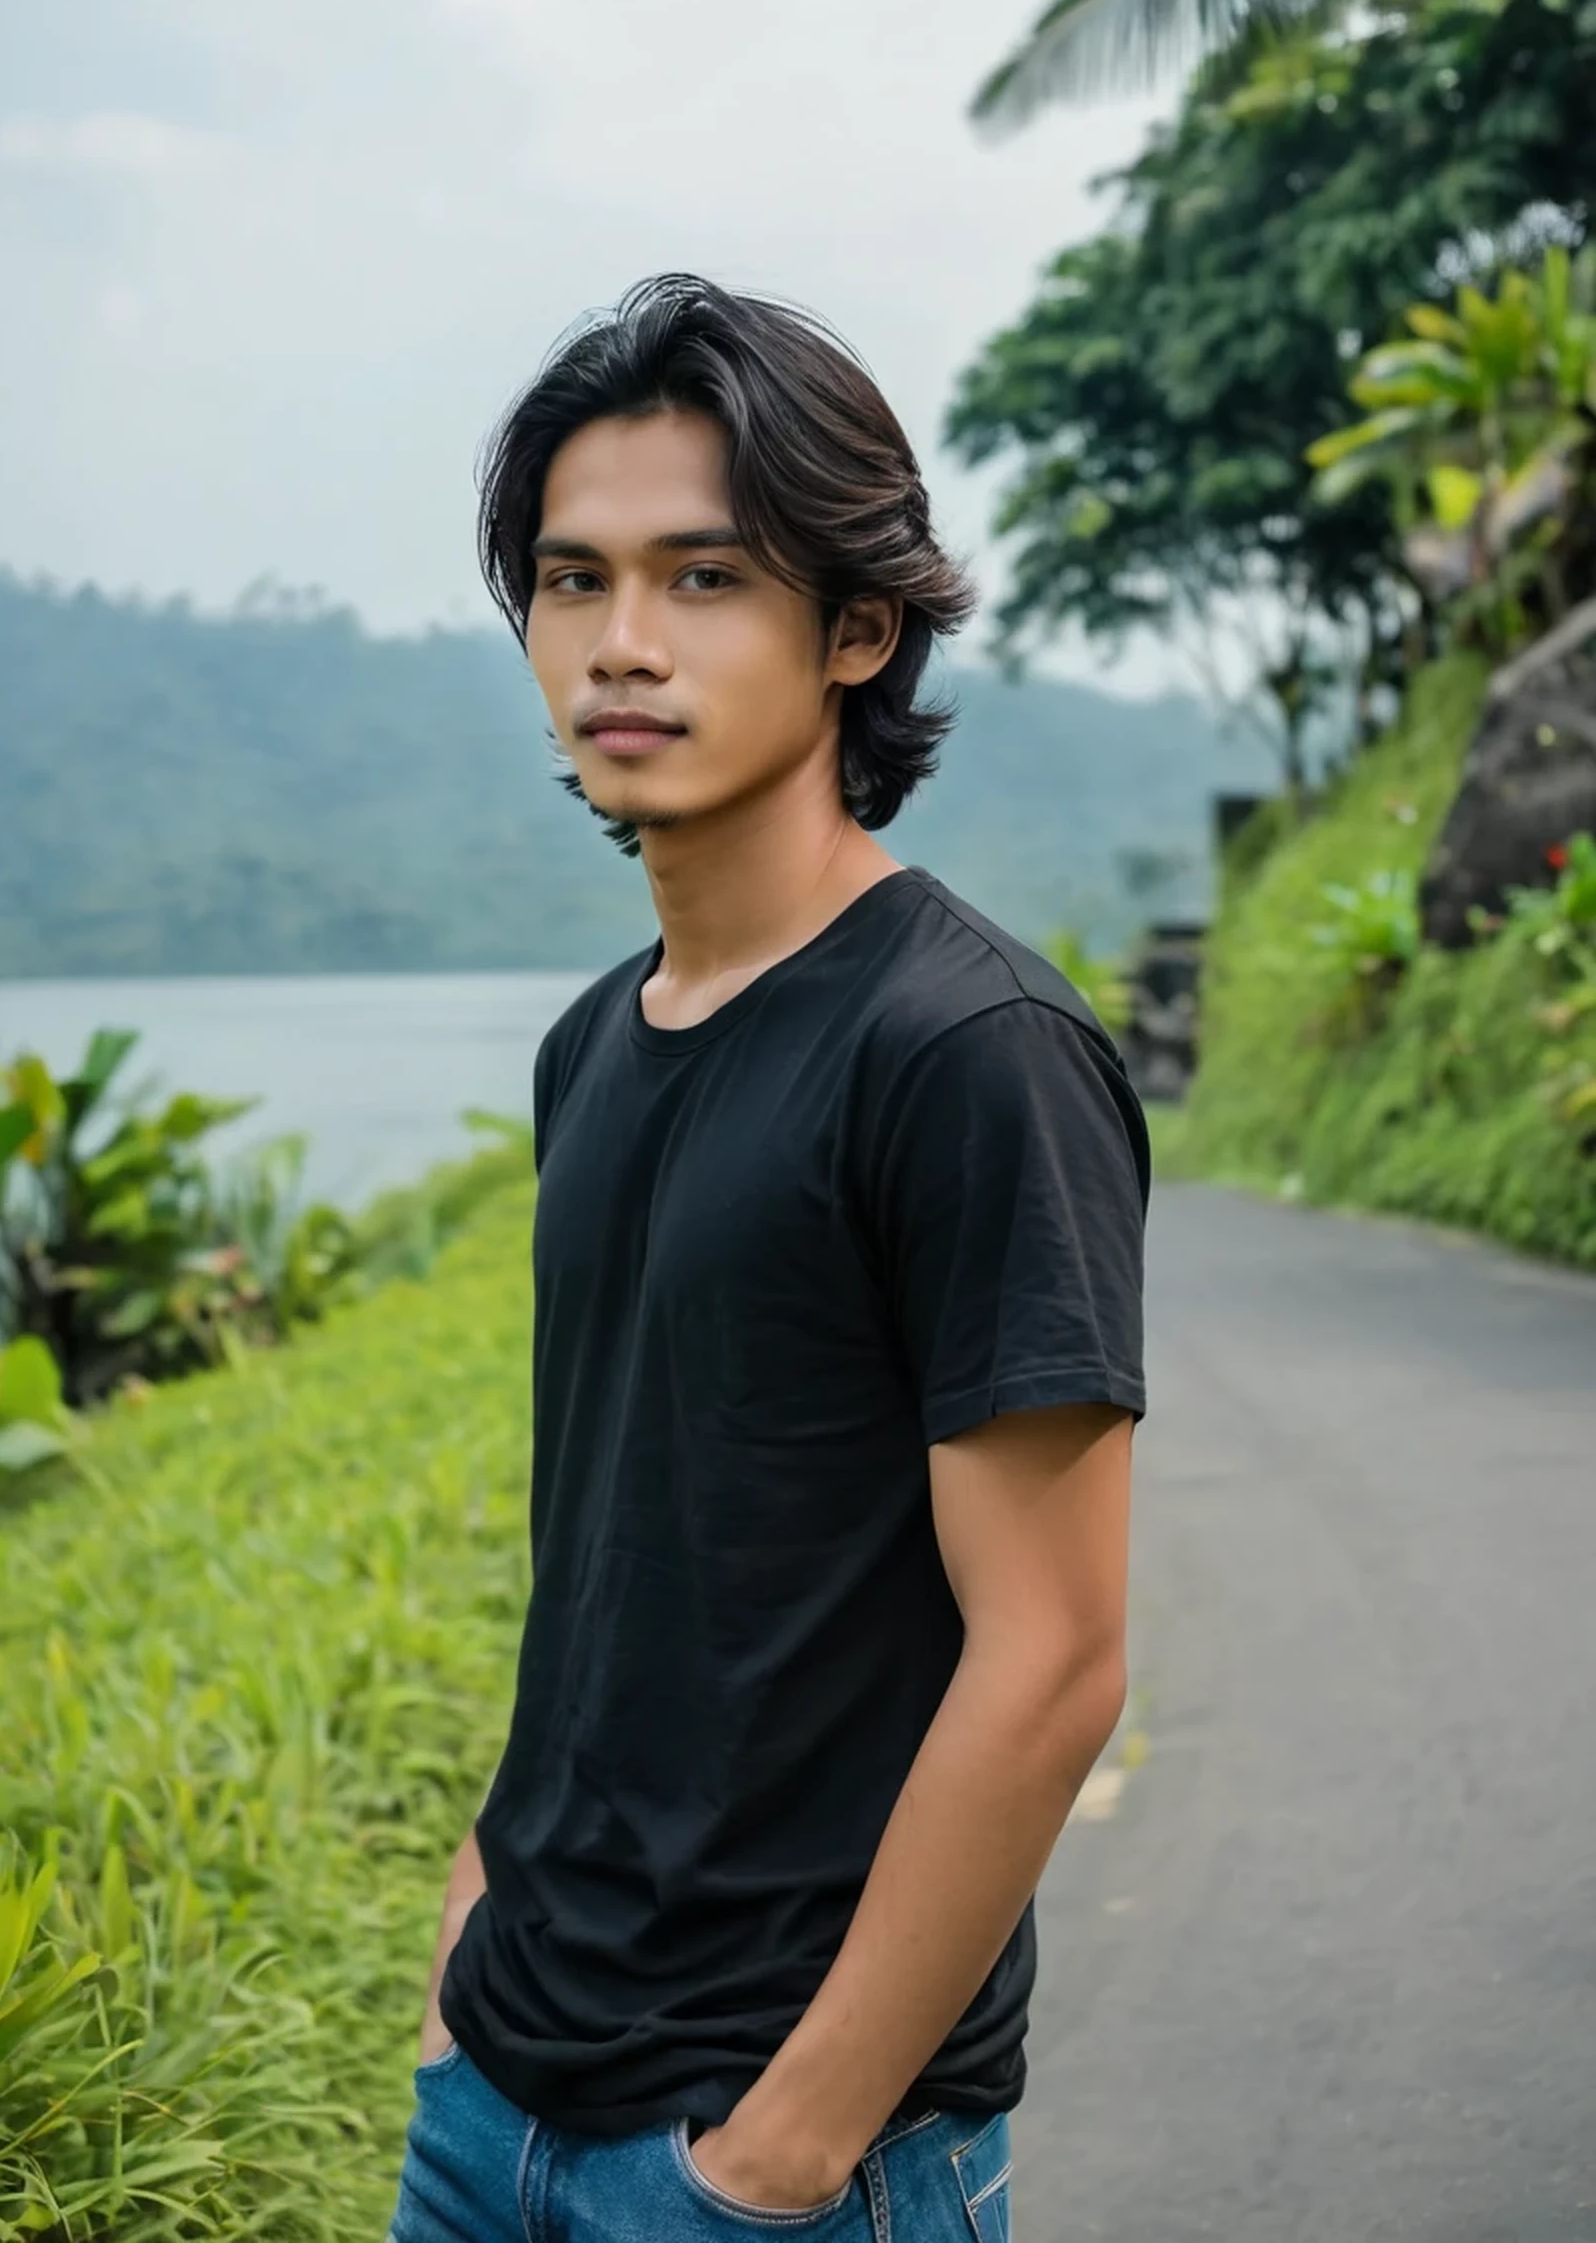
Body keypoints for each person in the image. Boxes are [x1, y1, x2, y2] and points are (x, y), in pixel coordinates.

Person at [386, 274, 1148, 2243]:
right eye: (570, 580)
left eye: (703, 577)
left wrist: (786, 2145)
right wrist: (474, 1928)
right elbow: (618, 1551)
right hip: (495, 2093)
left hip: (771, 2152)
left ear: (857, 626)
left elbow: (1054, 1656)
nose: (619, 645)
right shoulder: (592, 1044)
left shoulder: (964, 1052)